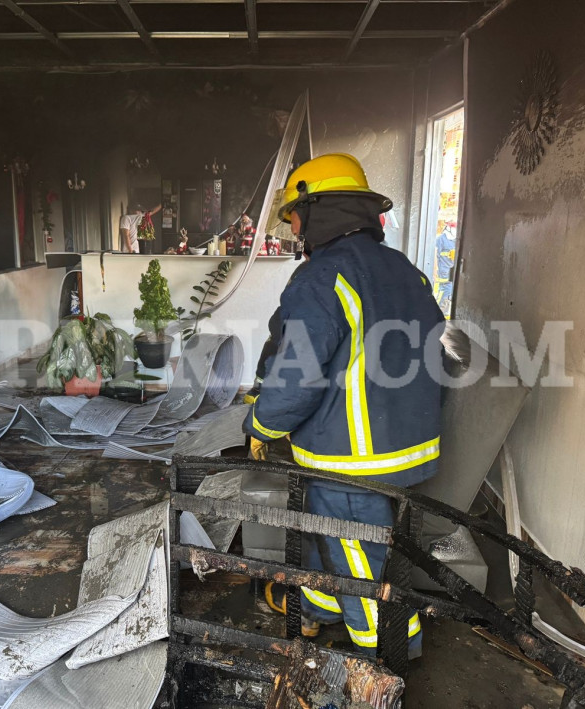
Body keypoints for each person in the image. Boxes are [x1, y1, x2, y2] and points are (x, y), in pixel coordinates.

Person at [244, 153, 444, 658]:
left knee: (361, 565)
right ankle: (318, 609)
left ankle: (390, 657)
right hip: (404, 446)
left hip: (353, 460)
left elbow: (296, 378)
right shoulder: (403, 270)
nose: (293, 229)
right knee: (333, 540)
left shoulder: (323, 277)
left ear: (318, 210)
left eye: (294, 215)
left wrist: (261, 425)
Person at [433, 220, 457, 313]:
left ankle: (443, 312)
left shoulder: (455, 240)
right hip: (442, 271)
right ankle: (438, 311)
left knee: (449, 291)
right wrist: (435, 270)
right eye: (454, 227)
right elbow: (435, 254)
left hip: (450, 270)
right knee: (445, 290)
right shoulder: (441, 239)